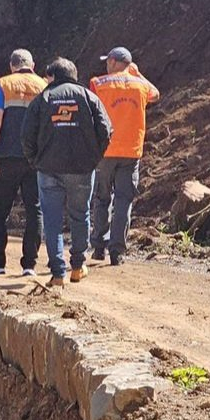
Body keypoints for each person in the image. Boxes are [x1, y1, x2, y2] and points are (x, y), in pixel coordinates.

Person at [21, 57, 112, 287]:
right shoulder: (89, 97)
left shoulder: (42, 99)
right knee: (80, 215)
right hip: (82, 169)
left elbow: (26, 136)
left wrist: (35, 160)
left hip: (48, 169)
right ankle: (78, 266)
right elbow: (106, 130)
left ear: (52, 76)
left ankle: (58, 272)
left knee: (51, 221)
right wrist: (93, 157)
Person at [89, 47, 160, 266]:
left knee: (102, 198)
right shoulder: (140, 86)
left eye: (107, 61)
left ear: (112, 62)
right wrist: (137, 74)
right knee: (123, 201)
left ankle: (99, 246)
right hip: (131, 152)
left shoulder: (98, 83)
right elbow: (155, 94)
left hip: (104, 151)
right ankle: (117, 252)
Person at [0, 49, 48, 276]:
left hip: (8, 157)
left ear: (12, 66)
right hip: (35, 158)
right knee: (35, 210)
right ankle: (29, 264)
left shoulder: (3, 84)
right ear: (33, 64)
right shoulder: (43, 86)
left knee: (1, 209)